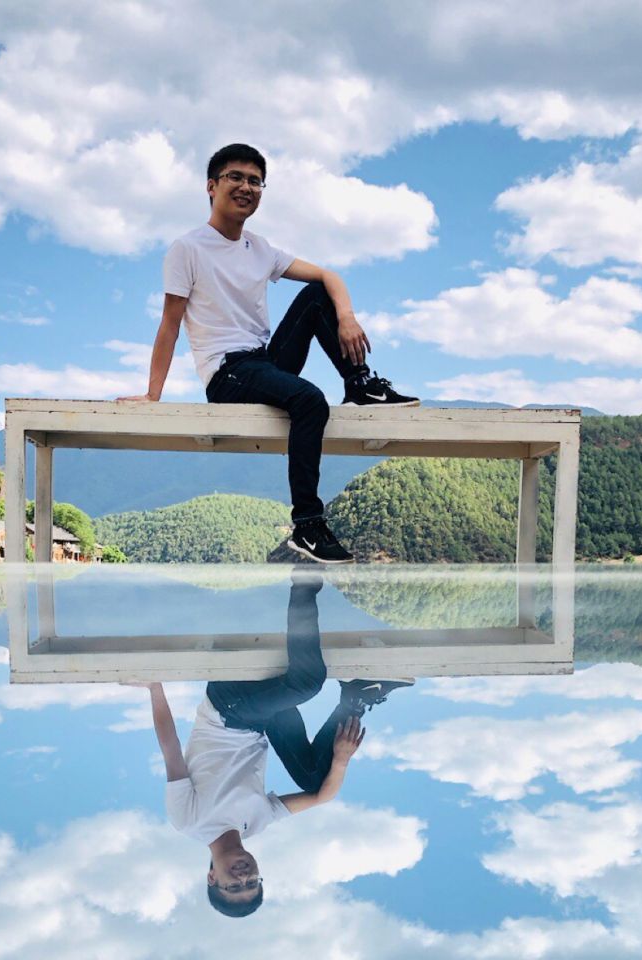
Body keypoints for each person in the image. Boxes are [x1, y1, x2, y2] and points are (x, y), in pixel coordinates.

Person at [119, 143, 419, 564]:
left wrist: (347, 316)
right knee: (310, 399)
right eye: (235, 177)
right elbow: (169, 324)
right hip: (228, 373)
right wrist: (153, 394)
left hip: (264, 361)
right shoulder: (187, 249)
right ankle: (308, 525)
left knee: (318, 294)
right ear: (211, 186)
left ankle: (359, 384)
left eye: (255, 181)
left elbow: (329, 274)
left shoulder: (260, 248)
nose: (246, 187)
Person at [137, 571, 413, 917]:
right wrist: (341, 759)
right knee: (315, 778)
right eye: (252, 883)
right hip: (261, 724)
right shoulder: (257, 823)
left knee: (307, 685)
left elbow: (170, 749)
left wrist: (154, 686)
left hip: (228, 709)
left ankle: (305, 583)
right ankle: (357, 696)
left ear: (212, 877)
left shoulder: (188, 821)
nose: (244, 877)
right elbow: (321, 797)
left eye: (233, 886)